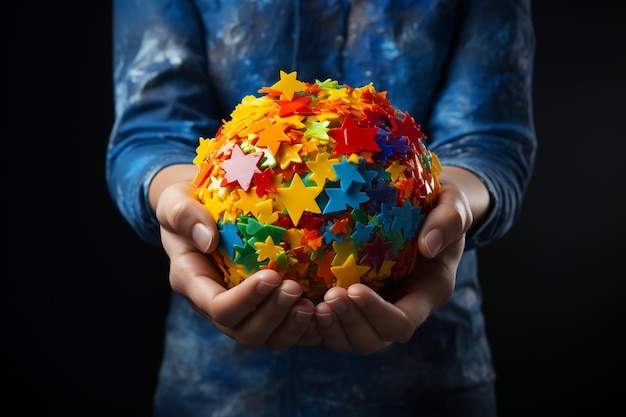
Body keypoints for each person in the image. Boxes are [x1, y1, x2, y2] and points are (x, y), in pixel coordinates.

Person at [106, 1, 536, 416]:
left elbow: (491, 137)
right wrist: (176, 200)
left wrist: (454, 205)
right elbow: (151, 131)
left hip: (425, 370)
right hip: (217, 385)